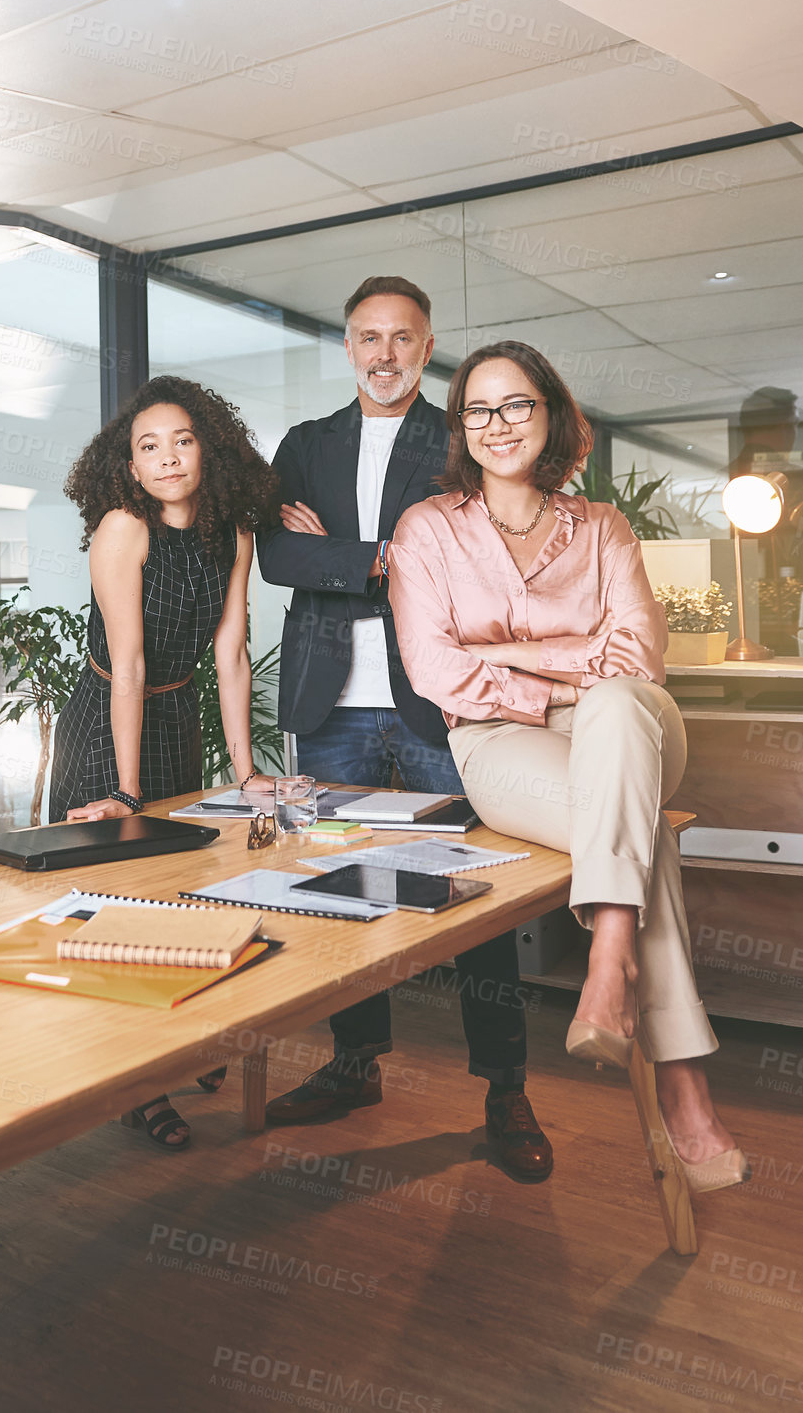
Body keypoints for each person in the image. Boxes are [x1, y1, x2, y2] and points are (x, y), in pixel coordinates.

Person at [389, 339, 747, 1192]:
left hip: (629, 724)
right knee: (636, 832)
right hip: (497, 742)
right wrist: (562, 664)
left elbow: (637, 659)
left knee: (618, 708)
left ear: (549, 413)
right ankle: (683, 1083)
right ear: (459, 427)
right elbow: (433, 670)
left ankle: (608, 952)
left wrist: (524, 658)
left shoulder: (603, 528)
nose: (496, 424)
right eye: (477, 409)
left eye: (516, 404)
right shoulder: (427, 530)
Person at [257, 278, 552, 1183]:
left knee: (477, 897)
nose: (383, 354)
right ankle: (354, 1064)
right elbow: (275, 553)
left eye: (402, 339)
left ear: (427, 351)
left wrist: (345, 555)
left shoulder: (456, 437)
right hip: (330, 705)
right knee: (343, 894)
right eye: (366, 337)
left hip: (438, 702)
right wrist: (385, 556)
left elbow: (477, 557)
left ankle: (505, 1087)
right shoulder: (305, 447)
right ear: (347, 346)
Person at [50, 375, 279, 1151]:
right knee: (114, 897)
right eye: (148, 447)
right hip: (108, 713)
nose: (168, 457)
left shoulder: (233, 534)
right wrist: (124, 790)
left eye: (181, 440)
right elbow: (129, 662)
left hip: (176, 713)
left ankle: (170, 1045)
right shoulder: (123, 528)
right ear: (131, 466)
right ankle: (134, 1088)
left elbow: (232, 654)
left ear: (206, 448)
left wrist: (246, 772)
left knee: (173, 896)